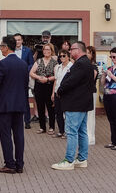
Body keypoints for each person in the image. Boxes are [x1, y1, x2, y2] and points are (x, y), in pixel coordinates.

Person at [52, 41, 95, 170]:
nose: (69, 52)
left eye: (71, 50)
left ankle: (69, 160)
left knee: (71, 132)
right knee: (82, 131)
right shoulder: (86, 63)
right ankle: (82, 159)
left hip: (75, 104)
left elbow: (70, 81)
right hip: (82, 103)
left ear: (78, 50)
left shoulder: (81, 64)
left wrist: (59, 90)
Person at [0, 36, 29, 173]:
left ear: (6, 47)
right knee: (19, 135)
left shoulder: (3, 64)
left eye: (1, 46)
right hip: (20, 104)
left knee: (6, 135)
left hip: (6, 105)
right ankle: (19, 164)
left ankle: (10, 164)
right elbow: (25, 85)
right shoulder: (23, 64)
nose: (0, 49)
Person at [29, 42, 58, 135]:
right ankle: (42, 127)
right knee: (40, 107)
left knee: (50, 108)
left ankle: (51, 127)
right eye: (45, 49)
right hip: (39, 86)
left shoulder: (55, 62)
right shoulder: (39, 61)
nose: (46, 51)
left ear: (51, 51)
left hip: (50, 86)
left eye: (48, 49)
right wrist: (39, 77)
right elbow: (31, 72)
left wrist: (48, 79)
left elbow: (57, 75)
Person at [13, 33, 34, 129]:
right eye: (15, 40)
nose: (17, 42)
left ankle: (27, 121)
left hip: (23, 78)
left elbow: (31, 64)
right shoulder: (11, 50)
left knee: (25, 100)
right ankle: (14, 121)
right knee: (13, 99)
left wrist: (24, 69)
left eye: (19, 40)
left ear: (22, 41)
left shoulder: (28, 51)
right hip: (12, 79)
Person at [51, 49, 70, 138]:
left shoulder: (71, 67)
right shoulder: (58, 67)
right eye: (60, 56)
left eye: (64, 56)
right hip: (57, 92)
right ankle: (61, 130)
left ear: (68, 56)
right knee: (58, 112)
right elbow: (56, 80)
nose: (62, 57)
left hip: (66, 93)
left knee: (66, 113)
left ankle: (67, 131)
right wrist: (53, 93)